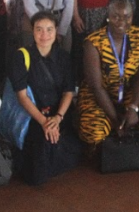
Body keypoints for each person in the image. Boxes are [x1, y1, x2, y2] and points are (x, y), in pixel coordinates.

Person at [77, 0, 139, 152]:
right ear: (108, 15)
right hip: (97, 96)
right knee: (95, 130)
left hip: (126, 94)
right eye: (116, 16)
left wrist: (133, 108)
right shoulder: (93, 42)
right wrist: (115, 119)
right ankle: (109, 136)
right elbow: (96, 87)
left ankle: (131, 146)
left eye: (127, 16)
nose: (122, 22)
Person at [8, 11, 83, 186]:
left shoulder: (64, 57)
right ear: (32, 31)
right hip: (33, 117)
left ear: (56, 31)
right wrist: (44, 122)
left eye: (49, 29)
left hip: (59, 114)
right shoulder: (21, 56)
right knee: (37, 172)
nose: (44, 35)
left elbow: (68, 92)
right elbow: (22, 96)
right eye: (39, 29)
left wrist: (57, 119)